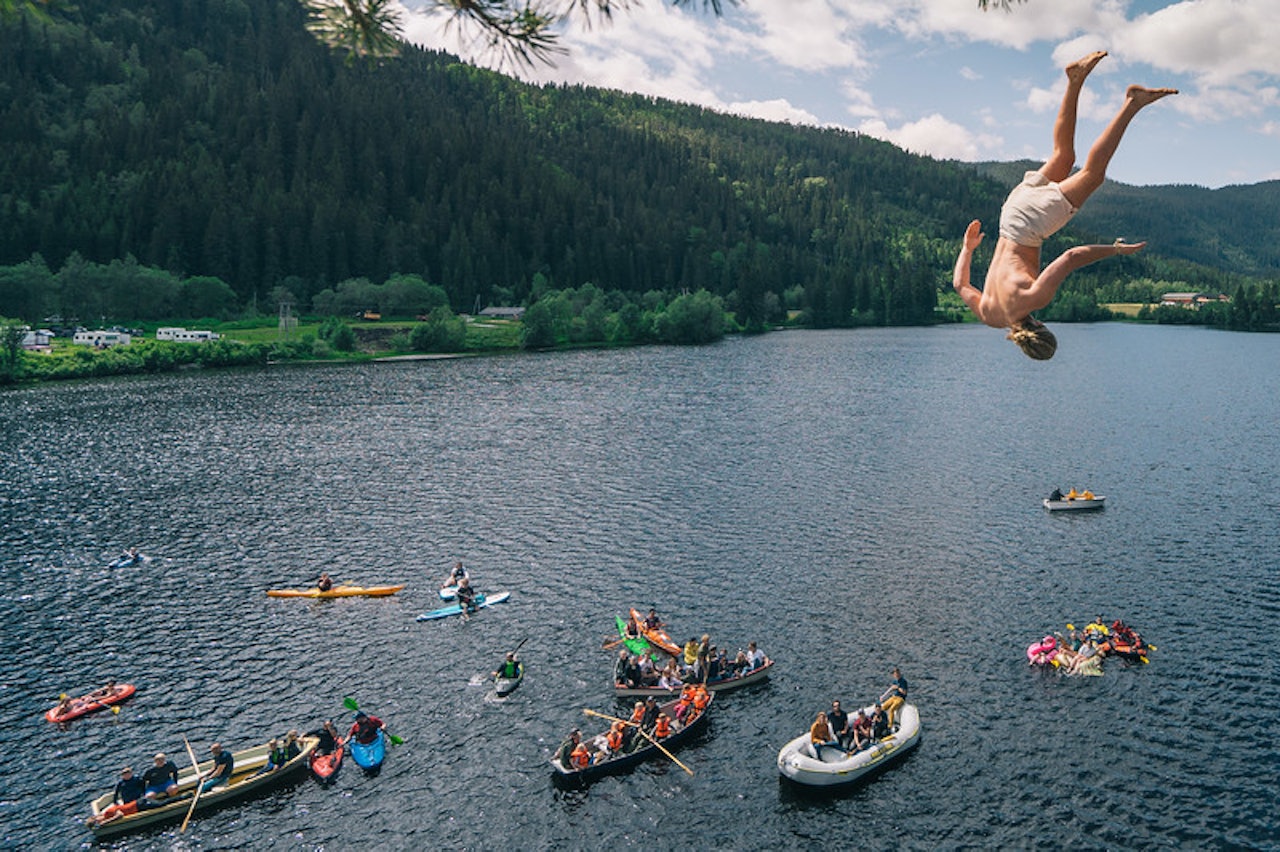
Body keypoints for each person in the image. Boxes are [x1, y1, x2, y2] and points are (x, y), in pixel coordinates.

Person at [952, 51, 1178, 360]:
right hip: (1010, 214)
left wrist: (1114, 250)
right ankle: (1074, 80)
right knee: (1063, 156)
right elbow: (960, 284)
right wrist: (967, 248)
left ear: (1042, 327)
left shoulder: (1035, 298)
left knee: (1092, 175)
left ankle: (1132, 103)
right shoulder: (989, 316)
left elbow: (1071, 257)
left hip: (1030, 224)